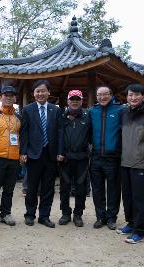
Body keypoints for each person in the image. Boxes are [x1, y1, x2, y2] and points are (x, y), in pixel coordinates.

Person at [116, 84, 144, 244]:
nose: (133, 98)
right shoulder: (124, 113)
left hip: (141, 162)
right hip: (125, 161)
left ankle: (139, 231)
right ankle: (131, 223)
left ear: (143, 96)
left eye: (136, 95)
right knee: (127, 196)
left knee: (139, 197)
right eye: (130, 95)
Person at [20, 79, 64, 228]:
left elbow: (60, 132)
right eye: (37, 91)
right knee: (31, 187)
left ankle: (44, 216)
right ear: (34, 93)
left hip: (51, 155)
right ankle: (30, 214)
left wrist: (60, 151)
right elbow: (24, 132)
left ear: (48, 92)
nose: (40, 93)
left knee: (48, 188)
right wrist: (23, 152)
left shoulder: (56, 110)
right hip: (33, 154)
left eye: (43, 90)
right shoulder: (27, 110)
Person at [88, 85, 124, 230]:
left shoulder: (120, 110)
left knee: (114, 189)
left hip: (113, 157)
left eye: (105, 94)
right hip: (96, 156)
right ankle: (100, 217)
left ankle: (111, 218)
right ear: (96, 97)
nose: (102, 97)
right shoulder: (92, 111)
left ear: (111, 95)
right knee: (97, 189)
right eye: (99, 95)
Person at [0, 85, 21, 227]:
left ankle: (6, 213)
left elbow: (21, 137)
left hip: (14, 158)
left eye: (11, 95)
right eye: (5, 95)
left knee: (9, 189)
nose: (8, 97)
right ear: (0, 97)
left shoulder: (18, 117)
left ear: (15, 98)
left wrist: (21, 155)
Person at [58, 90, 90, 227]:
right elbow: (58, 136)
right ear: (68, 101)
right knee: (64, 187)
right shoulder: (61, 117)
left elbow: (92, 136)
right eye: (72, 99)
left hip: (82, 158)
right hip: (65, 158)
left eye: (78, 99)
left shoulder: (87, 117)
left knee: (80, 188)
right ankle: (65, 213)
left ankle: (78, 214)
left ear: (82, 101)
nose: (75, 101)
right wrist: (59, 152)